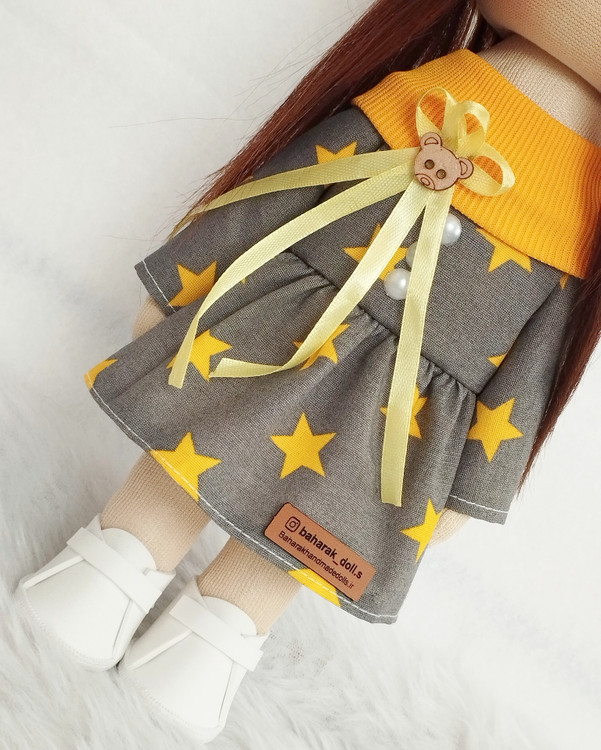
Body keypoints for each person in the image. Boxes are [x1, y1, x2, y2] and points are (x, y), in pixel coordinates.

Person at [14, 0, 601, 742]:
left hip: (403, 414)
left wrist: (480, 477)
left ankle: (218, 633)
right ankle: (119, 557)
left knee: (326, 510)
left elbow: (536, 357)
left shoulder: (583, 201)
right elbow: (289, 186)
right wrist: (192, 271)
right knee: (213, 422)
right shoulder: (438, 91)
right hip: (289, 319)